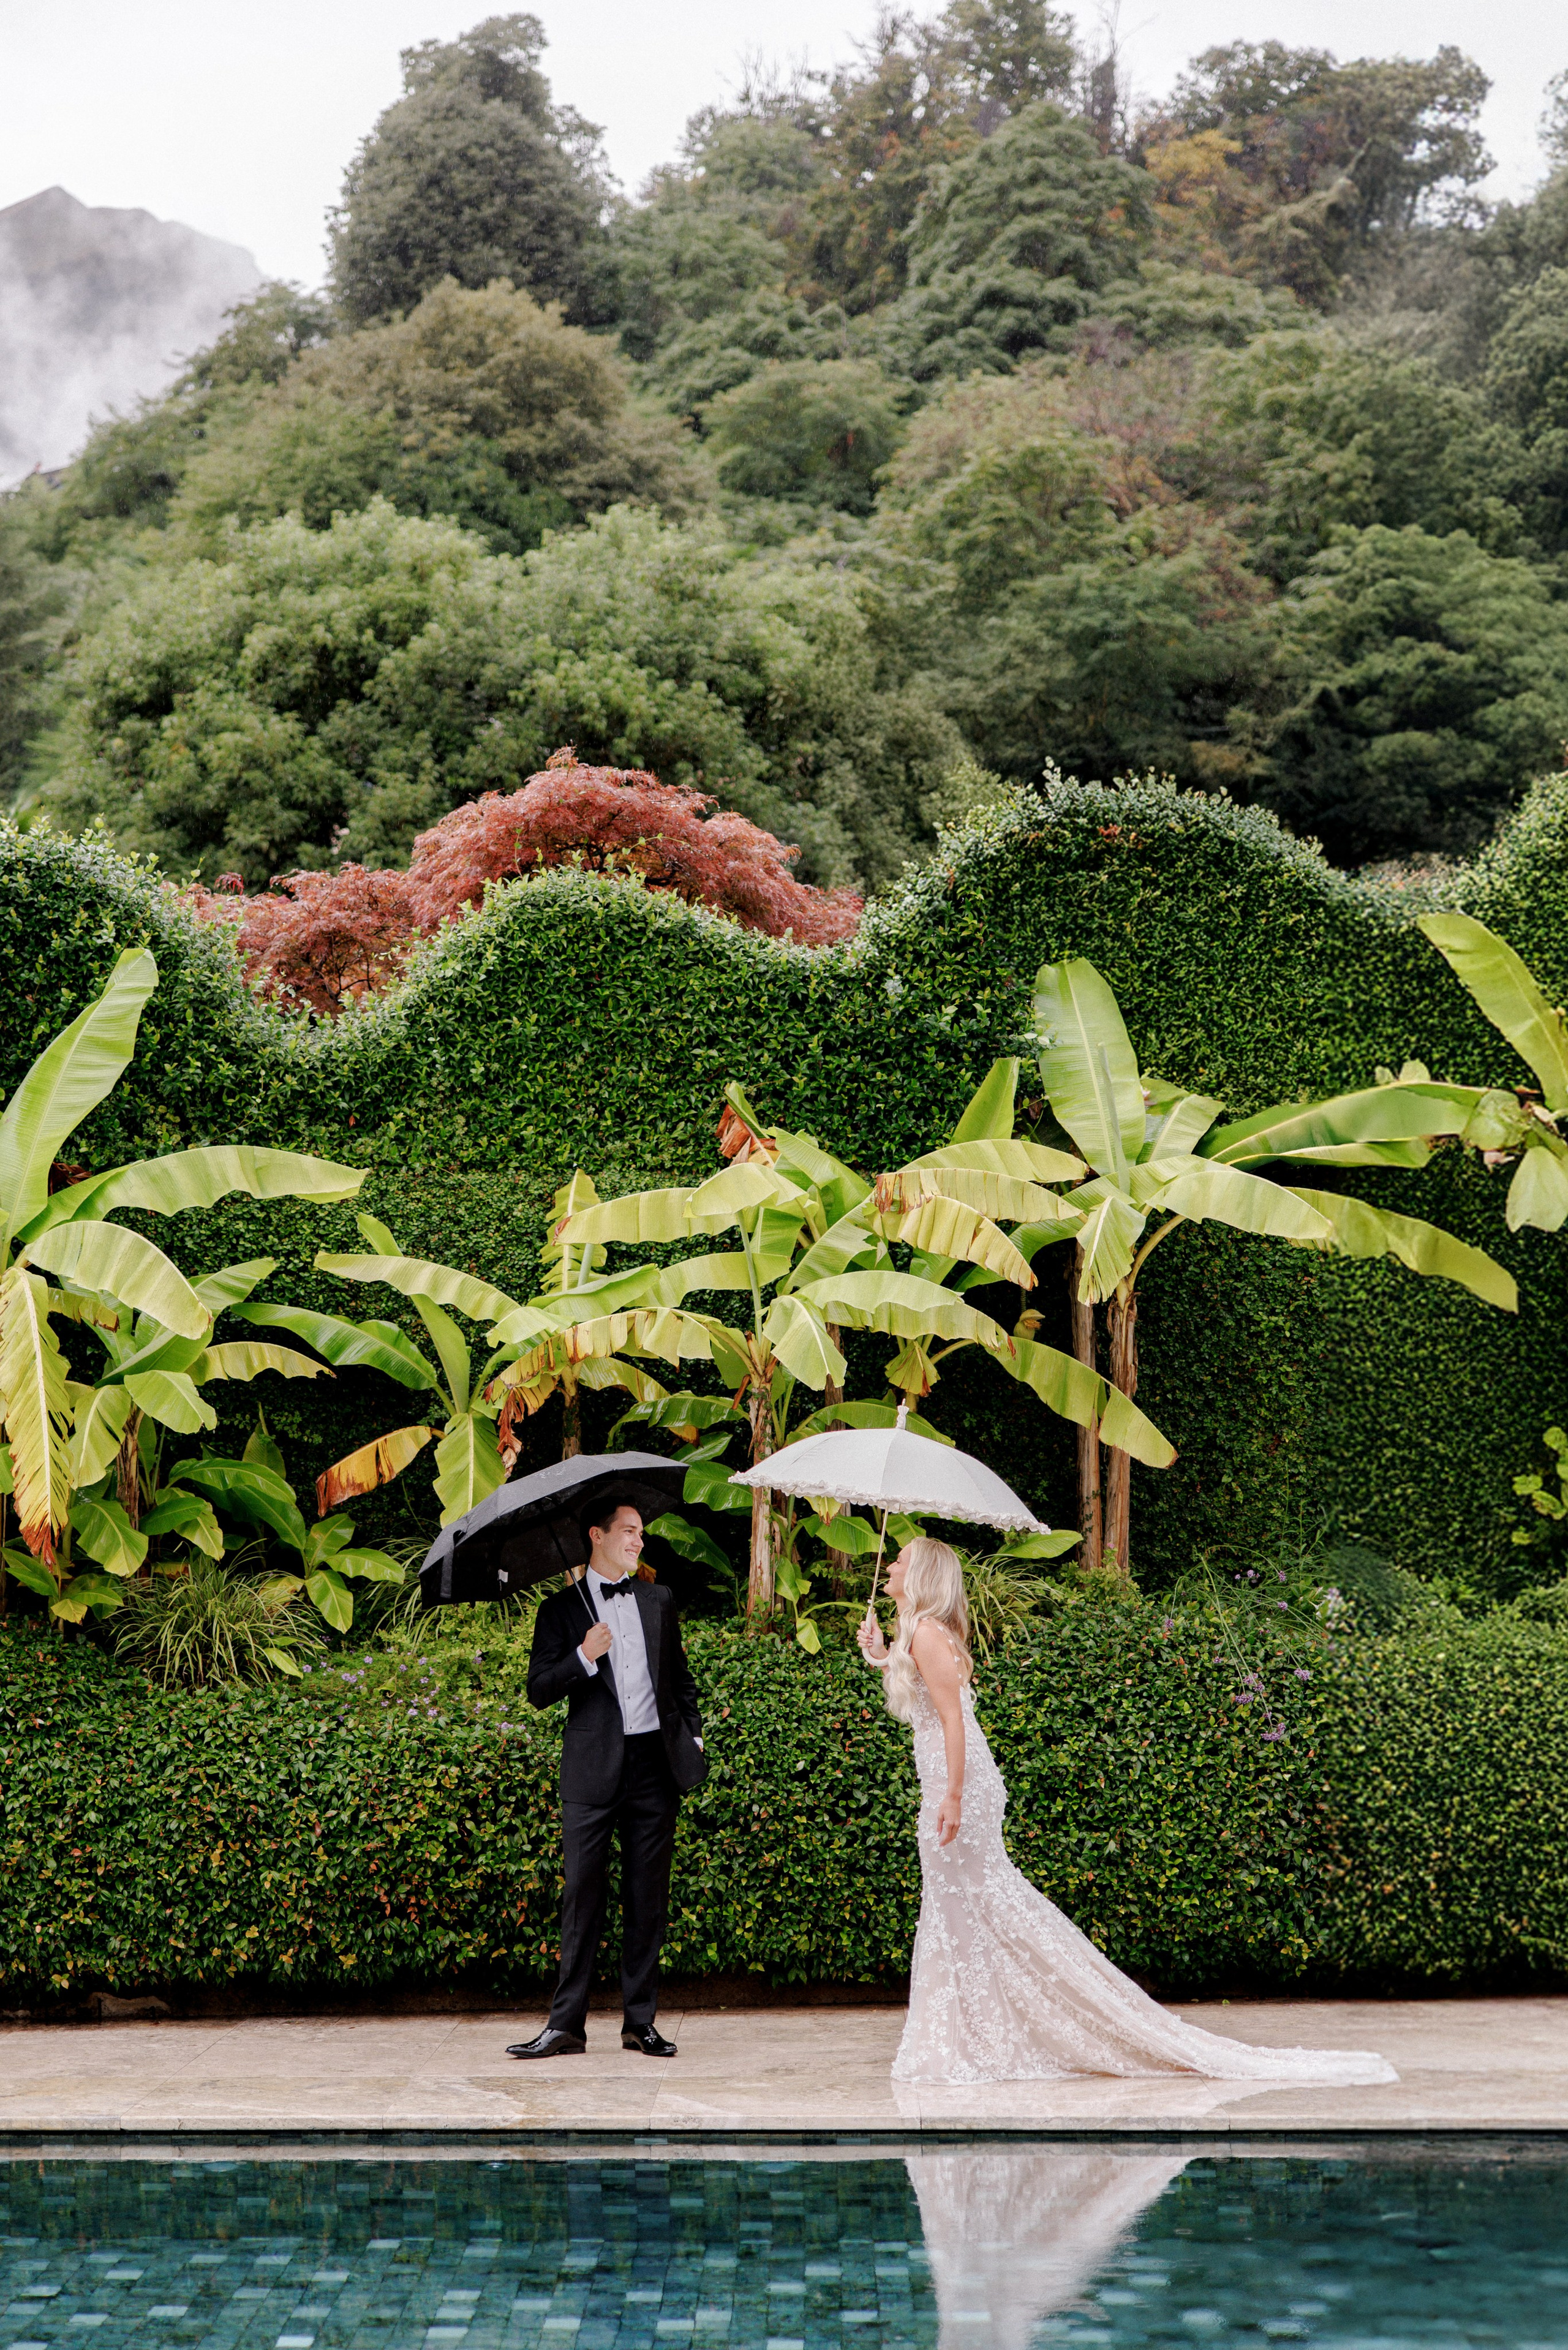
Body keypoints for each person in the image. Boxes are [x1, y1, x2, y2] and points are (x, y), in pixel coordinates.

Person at [857, 1538, 1395, 2087]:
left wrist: (951, 1795)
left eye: (900, 1559)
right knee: (967, 1905)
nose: (891, 1565)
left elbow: (951, 1720)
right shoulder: (924, 1632)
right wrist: (879, 1652)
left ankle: (985, 2036)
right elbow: (928, 1695)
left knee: (971, 1902)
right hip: (961, 1784)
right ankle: (975, 2036)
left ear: (921, 1574)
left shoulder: (924, 1632)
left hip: (958, 1788)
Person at [508, 1497, 706, 2061]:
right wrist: (583, 1654)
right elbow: (539, 1688)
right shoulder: (560, 1610)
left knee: (648, 1900)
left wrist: (693, 1735)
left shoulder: (657, 1598)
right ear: (597, 1535)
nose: (639, 1540)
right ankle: (566, 2025)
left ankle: (639, 2023)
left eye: (641, 1532)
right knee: (582, 1900)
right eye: (629, 1531)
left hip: (653, 1768)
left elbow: (680, 1682)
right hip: (592, 1771)